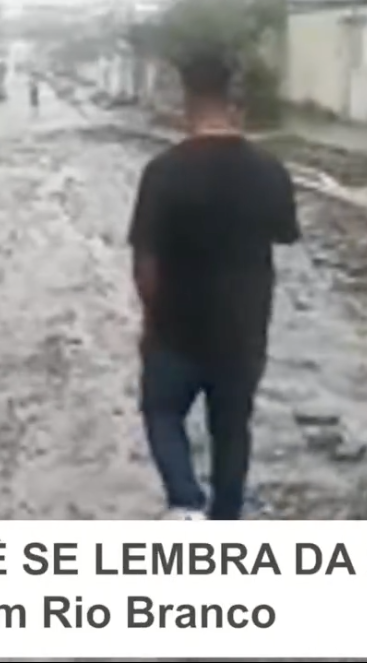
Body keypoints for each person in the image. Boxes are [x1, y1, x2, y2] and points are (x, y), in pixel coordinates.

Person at [127, 49, 301, 521]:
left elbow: (145, 263)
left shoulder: (162, 172)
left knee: (162, 413)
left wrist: (151, 323)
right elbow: (286, 234)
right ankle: (226, 517)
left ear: (187, 104)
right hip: (243, 332)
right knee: (232, 428)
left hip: (174, 330)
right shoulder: (269, 170)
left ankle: (185, 503)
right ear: (234, 105)